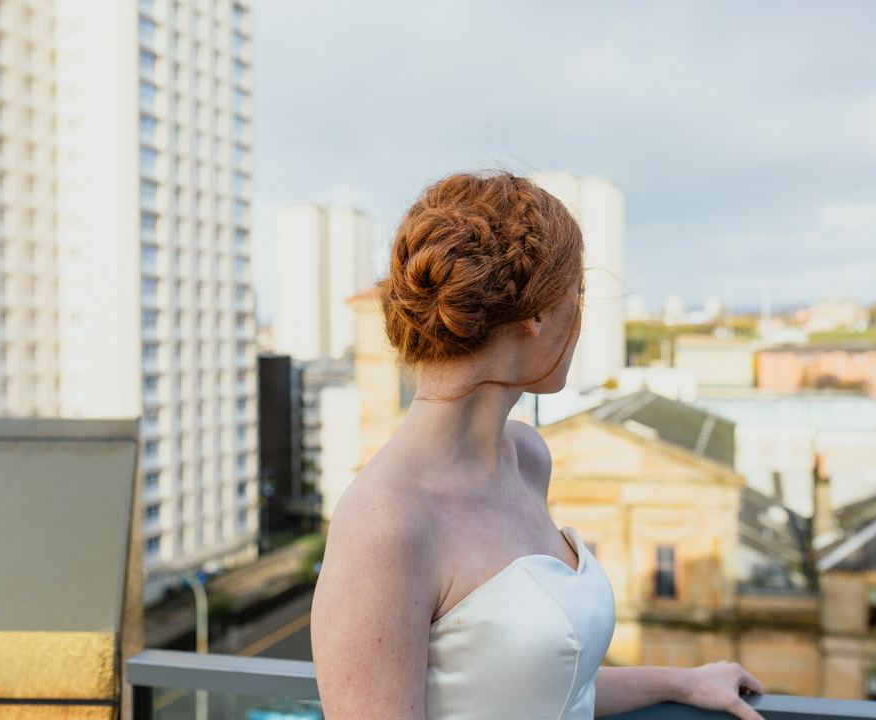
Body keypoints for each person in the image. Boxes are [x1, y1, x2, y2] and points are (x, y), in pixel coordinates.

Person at [311, 171, 765, 720]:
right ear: (537, 316)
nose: (581, 317)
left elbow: (540, 685)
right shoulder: (383, 523)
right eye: (578, 293)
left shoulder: (526, 457)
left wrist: (682, 683)